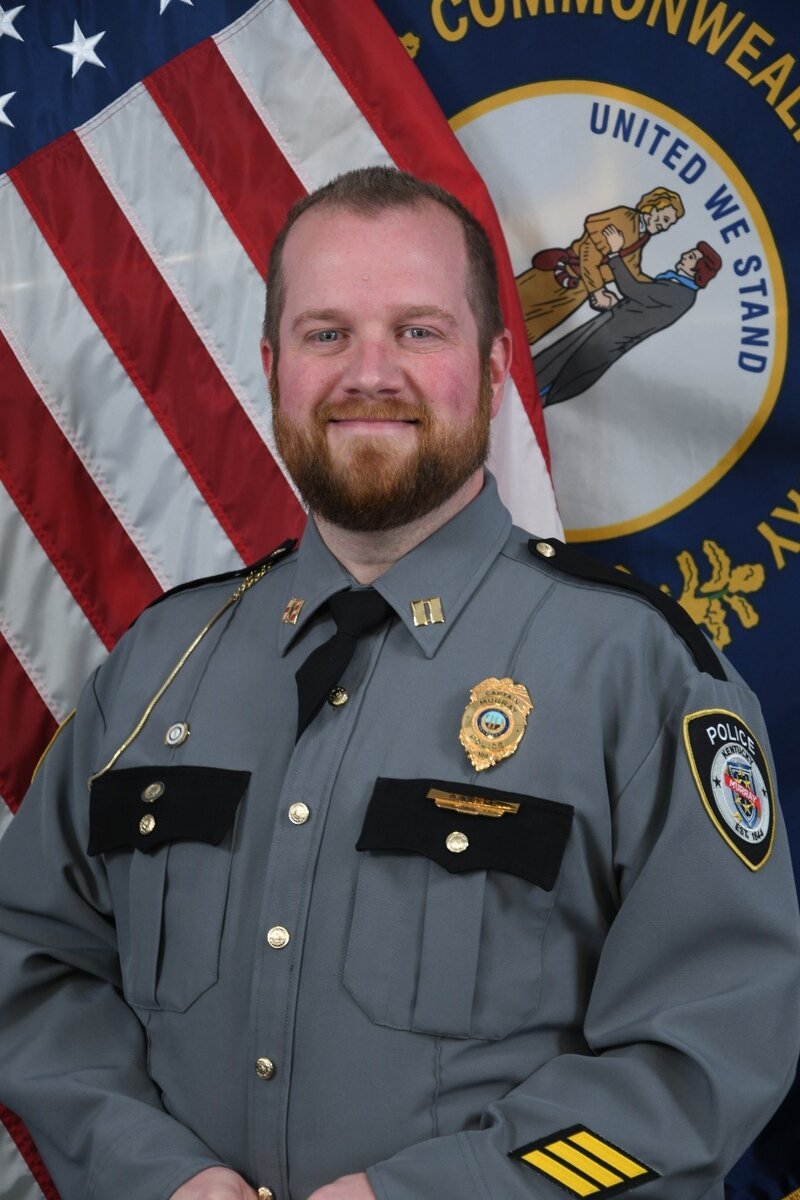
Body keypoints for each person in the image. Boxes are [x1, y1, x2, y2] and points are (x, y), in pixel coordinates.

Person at [0, 167, 798, 1200]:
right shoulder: (159, 664)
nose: (368, 373)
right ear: (273, 367)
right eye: (326, 333)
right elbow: (30, 961)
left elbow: (704, 1058)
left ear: (494, 369)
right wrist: (152, 1174)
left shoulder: (640, 676)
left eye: (418, 331)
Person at [534, 225, 722, 406]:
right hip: (607, 326)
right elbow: (644, 309)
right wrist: (615, 305)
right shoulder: (677, 285)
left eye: (691, 257)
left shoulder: (679, 293)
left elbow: (634, 289)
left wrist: (616, 254)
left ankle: (533, 402)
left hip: (605, 341)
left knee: (561, 373)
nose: (685, 255)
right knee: (556, 359)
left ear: (698, 269)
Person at [515, 186, 685, 345]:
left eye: (669, 223)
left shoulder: (642, 236)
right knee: (508, 304)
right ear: (652, 208)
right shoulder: (623, 218)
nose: (665, 226)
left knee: (526, 334)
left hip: (578, 291)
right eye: (665, 219)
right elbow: (589, 255)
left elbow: (632, 271)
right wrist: (598, 291)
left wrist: (657, 288)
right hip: (560, 276)